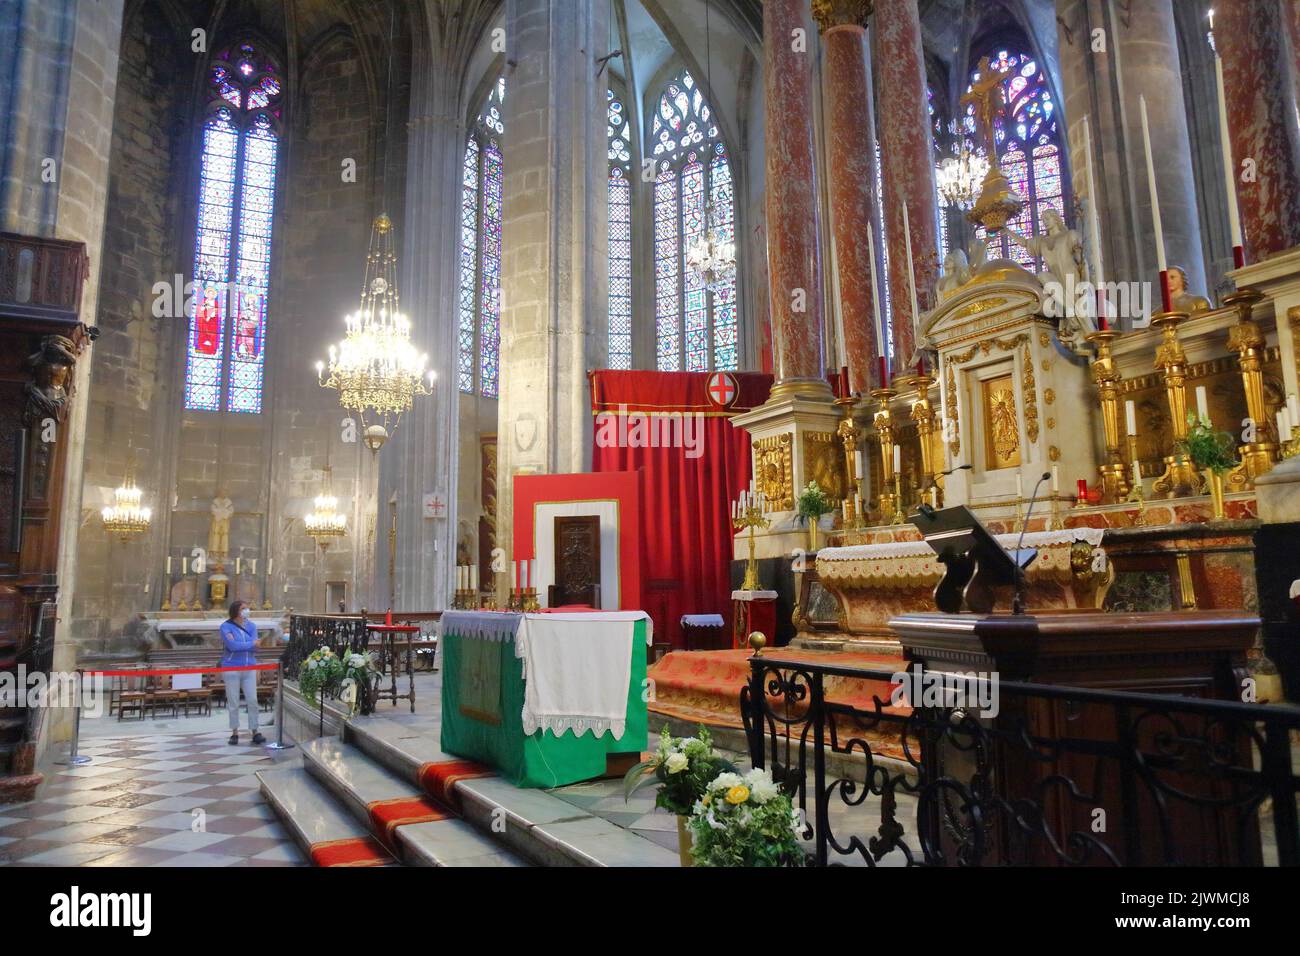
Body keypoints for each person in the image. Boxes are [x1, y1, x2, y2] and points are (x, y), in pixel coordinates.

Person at [220, 600, 265, 745]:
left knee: (252, 700)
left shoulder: (251, 626)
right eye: (243, 608)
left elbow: (256, 648)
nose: (247, 610)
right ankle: (234, 732)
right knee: (233, 701)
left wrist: (251, 645)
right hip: (231, 667)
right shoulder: (226, 627)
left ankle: (255, 730)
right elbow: (232, 646)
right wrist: (251, 644)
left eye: (247, 608)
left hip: (249, 667)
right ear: (236, 611)